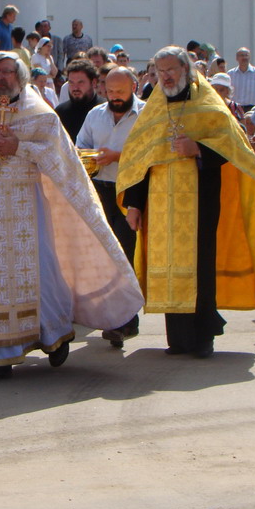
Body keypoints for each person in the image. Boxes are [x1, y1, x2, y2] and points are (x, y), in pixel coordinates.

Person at [0, 51, 144, 383]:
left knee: (42, 272)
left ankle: (55, 335)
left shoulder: (41, 114)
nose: (0, 78)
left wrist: (19, 147)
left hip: (28, 206)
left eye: (6, 71)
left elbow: (61, 159)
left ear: (20, 76)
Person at [117, 46, 255, 358]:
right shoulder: (155, 108)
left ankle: (203, 337)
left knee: (199, 266)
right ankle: (178, 339)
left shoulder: (207, 103)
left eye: (171, 70)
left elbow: (233, 146)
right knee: (167, 266)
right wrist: (134, 204)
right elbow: (141, 160)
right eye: (160, 71)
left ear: (186, 70)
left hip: (200, 202)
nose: (165, 77)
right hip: (160, 205)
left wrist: (198, 149)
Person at [77, 66, 145, 347]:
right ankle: (112, 317)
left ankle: (126, 321)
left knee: (125, 255)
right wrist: (88, 156)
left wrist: (117, 156)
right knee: (103, 256)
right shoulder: (95, 115)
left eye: (121, 91)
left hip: (131, 192)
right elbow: (80, 146)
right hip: (101, 191)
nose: (115, 96)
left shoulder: (145, 114)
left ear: (134, 87)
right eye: (111, 91)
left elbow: (149, 153)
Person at [54, 59, 103, 142]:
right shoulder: (60, 112)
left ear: (93, 83)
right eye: (71, 82)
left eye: (80, 82)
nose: (75, 88)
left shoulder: (105, 111)